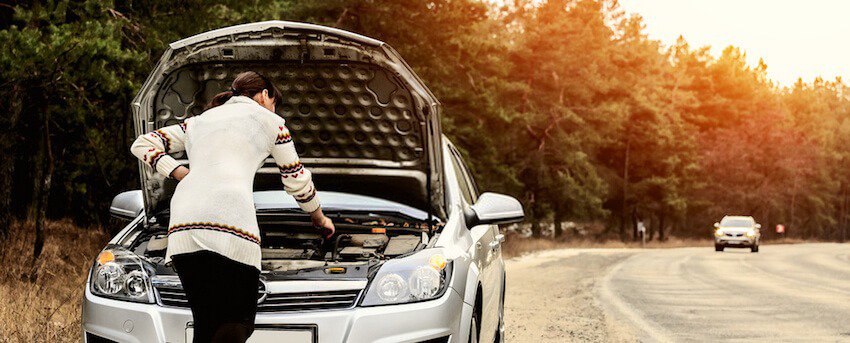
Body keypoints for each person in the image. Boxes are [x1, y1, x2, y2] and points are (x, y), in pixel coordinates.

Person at [130, 71, 335, 342]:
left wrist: (180, 172)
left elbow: (143, 143)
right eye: (274, 102)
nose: (274, 109)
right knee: (237, 325)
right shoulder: (273, 123)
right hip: (230, 221)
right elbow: (296, 180)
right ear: (264, 95)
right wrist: (319, 218)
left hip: (183, 225)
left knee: (207, 324)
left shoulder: (198, 122)